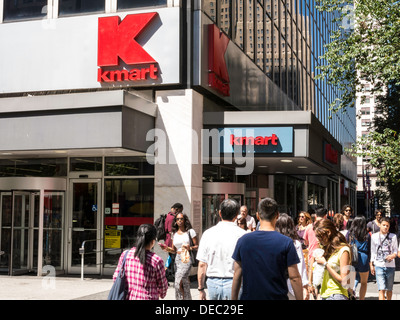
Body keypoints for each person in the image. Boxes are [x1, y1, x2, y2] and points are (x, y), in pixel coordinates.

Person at [231, 197, 303, 300]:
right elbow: (294, 277)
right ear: (277, 215)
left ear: (257, 215)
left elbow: (237, 274)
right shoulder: (286, 242)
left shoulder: (243, 241)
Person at [197, 199, 246, 300]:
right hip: (235, 283)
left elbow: (202, 264)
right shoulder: (243, 235)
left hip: (213, 284)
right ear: (237, 215)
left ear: (219, 213)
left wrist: (201, 289)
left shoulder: (208, 234)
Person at [112, 224, 168, 300]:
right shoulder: (156, 260)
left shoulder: (125, 255)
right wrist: (161, 294)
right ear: (153, 241)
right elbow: (163, 286)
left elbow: (116, 277)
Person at [162, 212, 198, 300]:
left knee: (178, 282)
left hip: (186, 258)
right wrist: (166, 248)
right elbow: (174, 250)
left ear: (185, 220)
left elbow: (197, 246)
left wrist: (190, 247)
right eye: (177, 219)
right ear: (175, 221)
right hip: (177, 259)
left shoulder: (190, 232)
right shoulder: (174, 234)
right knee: (184, 283)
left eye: (181, 219)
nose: (179, 221)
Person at [314, 219, 352, 300]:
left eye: (320, 237)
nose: (318, 240)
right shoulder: (327, 249)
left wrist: (325, 264)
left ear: (328, 232)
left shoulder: (343, 250)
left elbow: (344, 280)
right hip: (324, 294)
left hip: (337, 294)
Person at [276, 213, 309, 300]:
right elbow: (300, 266)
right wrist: (304, 287)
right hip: (292, 287)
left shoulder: (272, 243)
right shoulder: (295, 244)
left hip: (275, 285)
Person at [370, 216, 399, 300]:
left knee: (389, 289)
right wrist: (371, 264)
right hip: (379, 265)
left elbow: (395, 251)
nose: (385, 227)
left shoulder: (393, 236)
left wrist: (392, 256)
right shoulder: (374, 236)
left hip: (390, 266)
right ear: (380, 225)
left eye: (387, 225)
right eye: (384, 225)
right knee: (381, 289)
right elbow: (373, 251)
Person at [304, 207, 327, 299]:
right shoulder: (327, 225)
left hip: (311, 258)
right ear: (325, 216)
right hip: (324, 258)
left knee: (314, 283)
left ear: (315, 216)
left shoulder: (309, 227)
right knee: (321, 283)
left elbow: (306, 242)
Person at [347, 216, 370, 300]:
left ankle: (351, 296)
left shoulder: (350, 234)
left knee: (350, 282)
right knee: (364, 282)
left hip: (352, 257)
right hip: (364, 258)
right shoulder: (367, 235)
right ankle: (362, 298)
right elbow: (369, 249)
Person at [164, 203, 183, 279]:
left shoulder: (168, 216)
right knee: (173, 258)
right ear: (177, 209)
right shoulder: (173, 218)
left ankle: (168, 273)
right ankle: (168, 273)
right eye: (180, 210)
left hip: (168, 240)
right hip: (172, 241)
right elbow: (171, 231)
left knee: (171, 257)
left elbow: (165, 229)